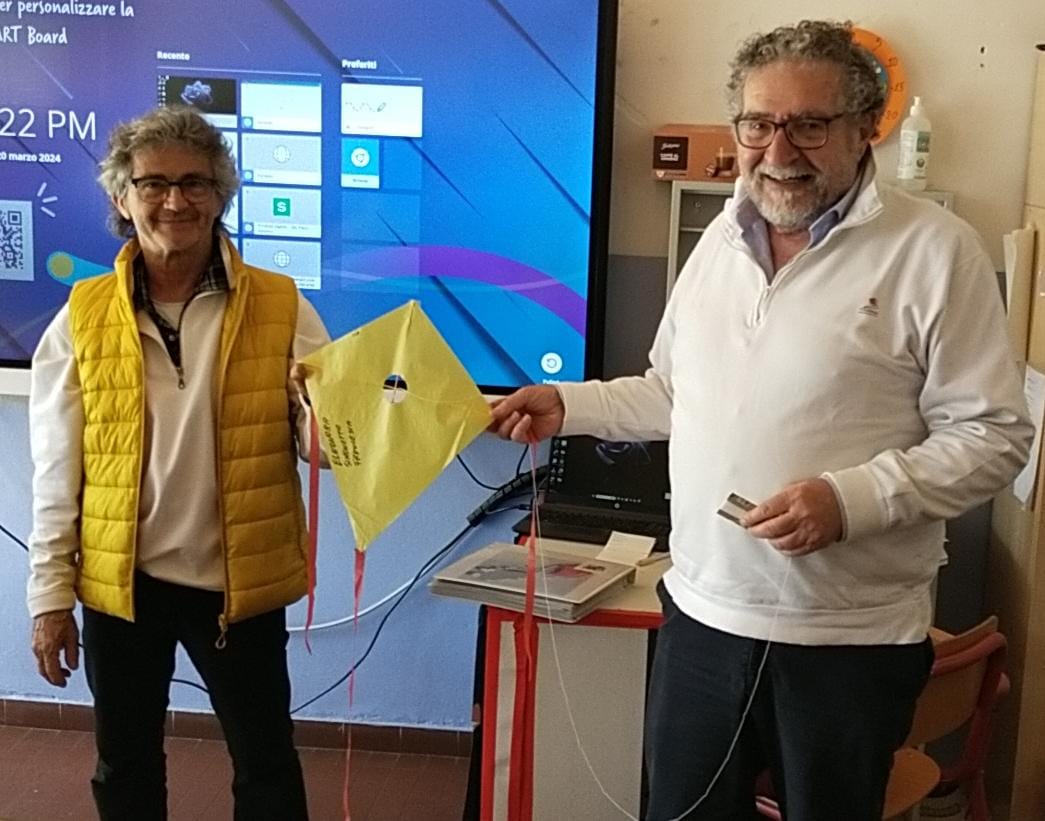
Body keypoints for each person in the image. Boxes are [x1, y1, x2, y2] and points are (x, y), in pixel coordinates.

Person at [489, 20, 1032, 821]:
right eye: (757, 123)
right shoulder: (720, 236)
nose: (778, 149)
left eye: (808, 124)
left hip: (847, 640)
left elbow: (994, 436)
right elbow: (673, 392)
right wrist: (571, 405)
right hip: (702, 616)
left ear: (863, 127)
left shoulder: (934, 250)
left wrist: (847, 500)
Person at [27, 105, 329, 821]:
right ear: (121, 197)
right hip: (121, 586)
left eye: (195, 182)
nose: (174, 201)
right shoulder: (83, 315)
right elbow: (56, 468)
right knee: (124, 765)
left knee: (266, 763)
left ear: (220, 195)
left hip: (239, 584)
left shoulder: (282, 306)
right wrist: (49, 597)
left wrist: (335, 414)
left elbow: (324, 446)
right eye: (153, 183)